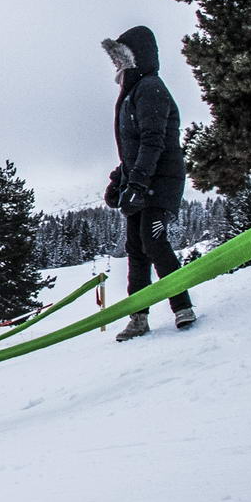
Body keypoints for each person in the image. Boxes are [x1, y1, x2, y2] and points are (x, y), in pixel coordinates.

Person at [102, 26, 196, 341]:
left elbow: (153, 141)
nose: (116, 67)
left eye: (120, 60)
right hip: (141, 180)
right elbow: (132, 149)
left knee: (153, 241)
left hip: (160, 182)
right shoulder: (132, 93)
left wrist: (139, 185)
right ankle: (138, 316)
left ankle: (182, 306)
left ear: (135, 58)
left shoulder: (150, 88)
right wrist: (119, 181)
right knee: (136, 249)